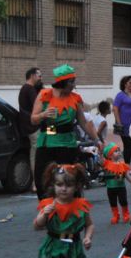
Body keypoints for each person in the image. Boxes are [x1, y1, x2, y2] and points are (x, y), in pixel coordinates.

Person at [31, 64, 99, 199]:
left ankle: (72, 210)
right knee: (43, 179)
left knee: (70, 177)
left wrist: (97, 140)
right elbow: (33, 119)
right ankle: (47, 210)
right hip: (48, 140)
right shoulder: (45, 95)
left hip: (68, 142)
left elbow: (83, 122)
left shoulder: (75, 98)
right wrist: (44, 114)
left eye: (74, 81)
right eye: (71, 82)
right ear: (62, 82)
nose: (73, 85)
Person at [18, 67, 43, 191]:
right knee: (36, 155)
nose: (40, 78)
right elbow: (39, 107)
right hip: (34, 128)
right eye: (39, 75)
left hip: (31, 127)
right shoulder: (30, 89)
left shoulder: (25, 89)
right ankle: (36, 183)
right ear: (32, 75)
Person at [102, 143, 131, 224]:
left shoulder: (122, 164)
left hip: (121, 187)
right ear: (109, 155)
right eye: (115, 151)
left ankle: (126, 214)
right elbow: (101, 160)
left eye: (118, 150)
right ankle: (115, 215)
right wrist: (100, 151)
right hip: (110, 187)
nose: (118, 152)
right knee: (113, 202)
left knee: (123, 201)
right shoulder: (106, 164)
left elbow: (125, 174)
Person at [113, 75, 131, 164]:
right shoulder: (120, 95)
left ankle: (127, 166)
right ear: (125, 84)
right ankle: (127, 166)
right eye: (130, 82)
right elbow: (115, 109)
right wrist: (119, 122)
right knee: (128, 145)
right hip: (124, 124)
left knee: (130, 144)